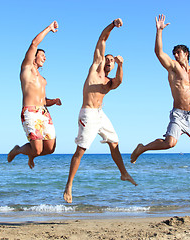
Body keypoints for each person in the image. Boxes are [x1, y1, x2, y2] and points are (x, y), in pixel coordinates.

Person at [63, 18, 137, 203]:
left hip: (100, 115)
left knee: (114, 142)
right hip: (88, 114)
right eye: (109, 60)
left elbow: (119, 82)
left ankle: (124, 173)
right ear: (102, 60)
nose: (109, 62)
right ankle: (69, 186)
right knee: (80, 150)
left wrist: (121, 65)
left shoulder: (108, 82)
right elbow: (102, 39)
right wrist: (112, 24)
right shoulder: (96, 69)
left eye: (112, 61)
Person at [131, 14, 190, 163]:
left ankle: (186, 131)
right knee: (170, 143)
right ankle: (142, 148)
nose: (175, 55)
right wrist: (159, 31)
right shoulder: (173, 68)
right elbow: (159, 52)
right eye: (174, 53)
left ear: (186, 54)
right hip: (179, 114)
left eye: (178, 53)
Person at [7, 21, 62, 169]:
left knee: (50, 148)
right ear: (34, 57)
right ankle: (18, 150)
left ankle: (31, 154)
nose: (45, 58)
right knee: (37, 149)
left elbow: (43, 99)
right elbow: (34, 43)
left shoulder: (41, 78)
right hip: (30, 112)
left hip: (44, 112)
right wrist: (49, 29)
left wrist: (53, 101)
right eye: (42, 55)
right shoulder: (27, 68)